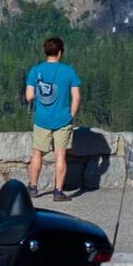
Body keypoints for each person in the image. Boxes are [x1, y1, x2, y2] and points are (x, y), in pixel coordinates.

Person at [25, 36, 82, 202]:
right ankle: (58, 191)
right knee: (60, 155)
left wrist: (41, 95)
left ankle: (33, 187)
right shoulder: (69, 71)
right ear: (60, 53)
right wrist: (71, 115)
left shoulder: (35, 70)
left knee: (37, 153)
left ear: (46, 52)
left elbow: (29, 96)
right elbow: (76, 97)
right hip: (63, 119)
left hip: (42, 119)